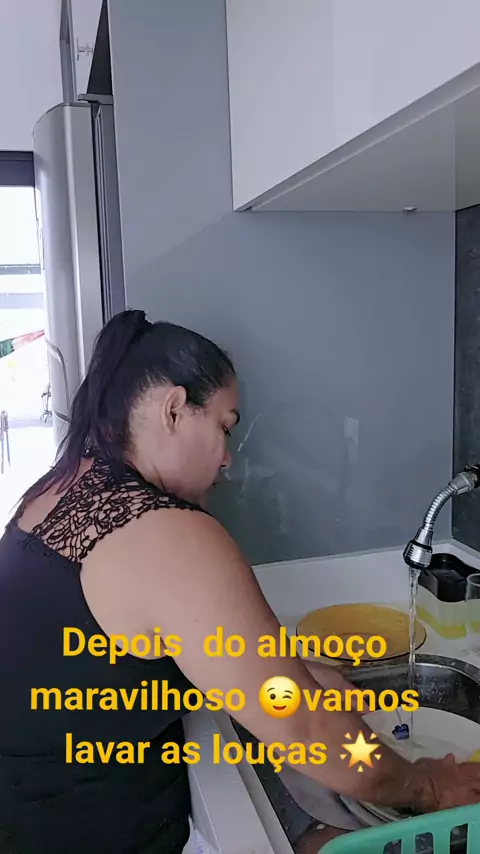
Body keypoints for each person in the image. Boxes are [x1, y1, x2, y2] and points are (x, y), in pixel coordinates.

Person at [0, 309, 479, 854]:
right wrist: (428, 785)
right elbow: (307, 730)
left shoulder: (59, 489)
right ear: (174, 410)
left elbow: (123, 661)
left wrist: (298, 674)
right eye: (225, 427)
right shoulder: (167, 533)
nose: (228, 459)